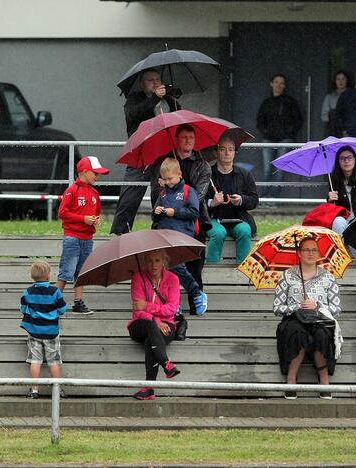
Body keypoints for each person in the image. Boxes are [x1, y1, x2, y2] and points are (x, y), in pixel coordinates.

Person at [150, 124, 211, 313]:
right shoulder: (164, 162)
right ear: (177, 139)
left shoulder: (202, 164)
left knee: (191, 267)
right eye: (184, 137)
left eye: (191, 137)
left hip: (191, 228)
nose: (188, 141)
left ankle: (196, 299)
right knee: (168, 267)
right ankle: (174, 305)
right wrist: (163, 190)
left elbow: (198, 197)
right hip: (165, 230)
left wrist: (174, 199)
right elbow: (154, 196)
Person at [111, 68, 181, 235]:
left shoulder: (169, 100)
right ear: (142, 84)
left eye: (158, 79)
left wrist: (171, 100)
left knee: (161, 192)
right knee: (130, 194)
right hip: (139, 152)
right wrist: (154, 98)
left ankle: (160, 229)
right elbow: (134, 115)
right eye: (150, 80)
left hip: (162, 154)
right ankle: (120, 231)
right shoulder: (134, 99)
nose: (156, 83)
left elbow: (179, 119)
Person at [273, 238, 342, 400]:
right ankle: (291, 380)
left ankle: (324, 381)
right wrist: (297, 307)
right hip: (294, 320)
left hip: (319, 320)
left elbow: (337, 309)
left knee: (322, 335)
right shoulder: (287, 276)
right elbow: (277, 308)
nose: (311, 253)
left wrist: (317, 306)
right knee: (297, 333)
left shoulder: (328, 278)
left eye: (314, 250)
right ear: (299, 253)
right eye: (306, 250)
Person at [56, 156, 109, 314]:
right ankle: (55, 300)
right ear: (84, 172)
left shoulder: (94, 193)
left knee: (81, 272)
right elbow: (62, 212)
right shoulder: (72, 190)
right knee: (67, 270)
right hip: (72, 237)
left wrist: (95, 220)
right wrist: (83, 219)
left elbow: (96, 212)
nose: (97, 176)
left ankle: (78, 302)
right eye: (95, 173)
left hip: (87, 239)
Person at [128, 249, 182, 400]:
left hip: (166, 325)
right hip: (139, 324)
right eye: (150, 261)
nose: (153, 265)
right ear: (145, 262)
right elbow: (137, 311)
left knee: (150, 341)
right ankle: (166, 364)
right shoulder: (138, 277)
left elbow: (171, 308)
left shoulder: (173, 279)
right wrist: (156, 320)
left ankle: (148, 388)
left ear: (164, 261)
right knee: (151, 324)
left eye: (157, 261)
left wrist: (146, 306)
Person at [206, 134, 259, 264]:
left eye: (230, 149)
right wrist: (212, 202)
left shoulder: (244, 174)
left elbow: (254, 199)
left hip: (238, 219)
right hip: (214, 219)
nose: (227, 153)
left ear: (235, 153)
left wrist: (241, 200)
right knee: (218, 234)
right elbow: (197, 200)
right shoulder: (207, 174)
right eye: (222, 149)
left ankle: (243, 273)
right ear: (216, 152)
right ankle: (212, 273)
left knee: (245, 230)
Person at [20, 261, 68, 399]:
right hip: (51, 332)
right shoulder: (55, 292)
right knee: (54, 361)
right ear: (48, 276)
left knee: (35, 360)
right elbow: (62, 309)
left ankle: (34, 390)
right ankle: (57, 389)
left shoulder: (28, 292)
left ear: (31, 276)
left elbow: (23, 308)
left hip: (34, 331)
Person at [256, 73, 302, 197]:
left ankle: (274, 198)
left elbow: (298, 120)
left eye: (281, 83)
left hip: (285, 139)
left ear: (285, 86)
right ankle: (264, 198)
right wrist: (266, 132)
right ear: (271, 84)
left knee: (280, 170)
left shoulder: (290, 102)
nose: (278, 85)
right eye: (276, 82)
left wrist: (289, 132)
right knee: (267, 169)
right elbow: (260, 121)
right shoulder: (266, 103)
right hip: (268, 139)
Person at [320, 70, 350, 138]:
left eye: (343, 79)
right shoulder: (330, 97)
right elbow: (324, 116)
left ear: (347, 81)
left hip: (350, 130)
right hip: (333, 131)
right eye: (338, 79)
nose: (340, 82)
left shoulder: (352, 96)